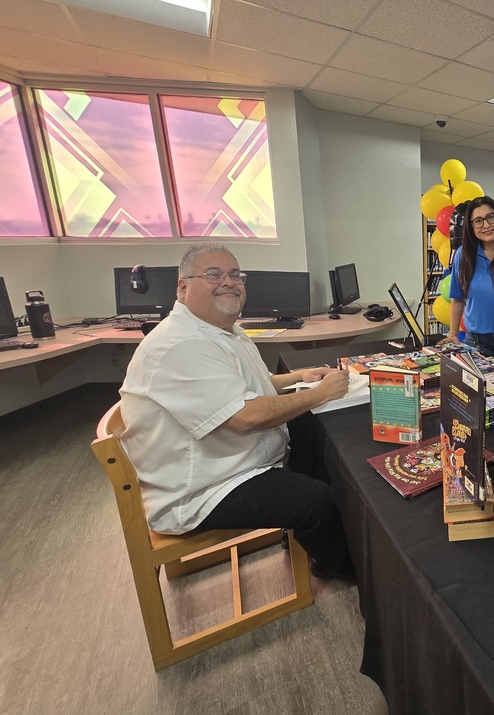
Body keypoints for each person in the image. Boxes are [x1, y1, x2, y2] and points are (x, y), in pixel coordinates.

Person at [119, 243, 350, 578]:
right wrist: (320, 394)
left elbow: (247, 384)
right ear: (182, 287)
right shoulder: (182, 345)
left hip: (226, 461)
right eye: (214, 274)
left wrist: (301, 377)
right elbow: (245, 416)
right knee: (315, 501)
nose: (228, 282)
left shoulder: (219, 330)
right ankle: (338, 567)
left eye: (234, 275)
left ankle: (306, 531)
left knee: (305, 426)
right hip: (202, 488)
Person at [444, 195, 494, 358]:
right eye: (478, 221)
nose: (486, 225)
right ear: (471, 226)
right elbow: (457, 298)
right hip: (475, 341)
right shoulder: (463, 255)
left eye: (490, 217)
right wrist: (453, 335)